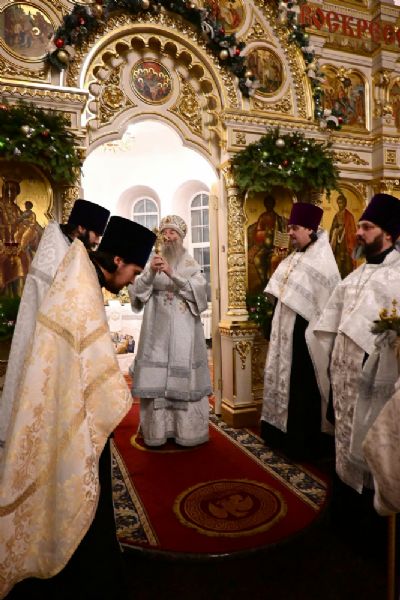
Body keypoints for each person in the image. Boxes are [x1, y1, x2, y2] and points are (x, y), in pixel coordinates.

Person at [0, 216, 156, 599]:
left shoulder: (80, 270)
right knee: (79, 491)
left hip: (72, 402)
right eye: (135, 272)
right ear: (118, 260)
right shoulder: (82, 283)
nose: (133, 281)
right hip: (74, 410)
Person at [0, 199, 110, 454]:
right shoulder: (56, 254)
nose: (97, 241)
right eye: (96, 234)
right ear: (81, 228)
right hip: (45, 341)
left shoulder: (67, 247)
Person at [314, 193, 400, 494]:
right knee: (345, 445)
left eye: (367, 227)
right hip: (344, 381)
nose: (358, 232)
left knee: (373, 450)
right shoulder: (352, 278)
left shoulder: (397, 278)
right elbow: (330, 327)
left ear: (388, 234)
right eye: (359, 226)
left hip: (377, 385)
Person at [261, 202, 341, 460]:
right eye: (289, 228)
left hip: (305, 339)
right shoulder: (293, 258)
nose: (290, 233)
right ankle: (278, 434)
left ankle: (301, 443)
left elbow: (328, 308)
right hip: (284, 332)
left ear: (310, 229)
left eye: (294, 228)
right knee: (281, 379)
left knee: (301, 387)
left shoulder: (323, 264)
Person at [129, 214, 212, 447]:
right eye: (164, 232)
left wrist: (172, 274)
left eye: (172, 232)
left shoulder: (190, 264)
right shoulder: (152, 262)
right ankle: (157, 432)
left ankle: (186, 432)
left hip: (185, 331)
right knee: (156, 380)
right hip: (156, 331)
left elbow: (200, 295)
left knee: (184, 377)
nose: (168, 236)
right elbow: (137, 293)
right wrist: (150, 273)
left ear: (181, 236)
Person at [247, 194, 288, 294]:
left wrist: (275, 236)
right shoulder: (263, 217)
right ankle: (264, 282)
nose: (269, 205)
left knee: (274, 260)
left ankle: (273, 285)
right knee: (257, 259)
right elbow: (258, 233)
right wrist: (267, 233)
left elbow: (283, 234)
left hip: (277, 248)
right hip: (265, 247)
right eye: (267, 203)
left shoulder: (278, 219)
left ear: (273, 204)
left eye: (270, 203)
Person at [329, 192, 357, 278]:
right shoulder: (336, 216)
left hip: (347, 244)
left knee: (348, 267)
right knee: (338, 265)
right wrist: (336, 230)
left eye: (341, 203)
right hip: (337, 244)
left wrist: (346, 230)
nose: (340, 205)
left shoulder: (349, 216)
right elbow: (332, 229)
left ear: (345, 203)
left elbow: (353, 231)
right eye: (338, 203)